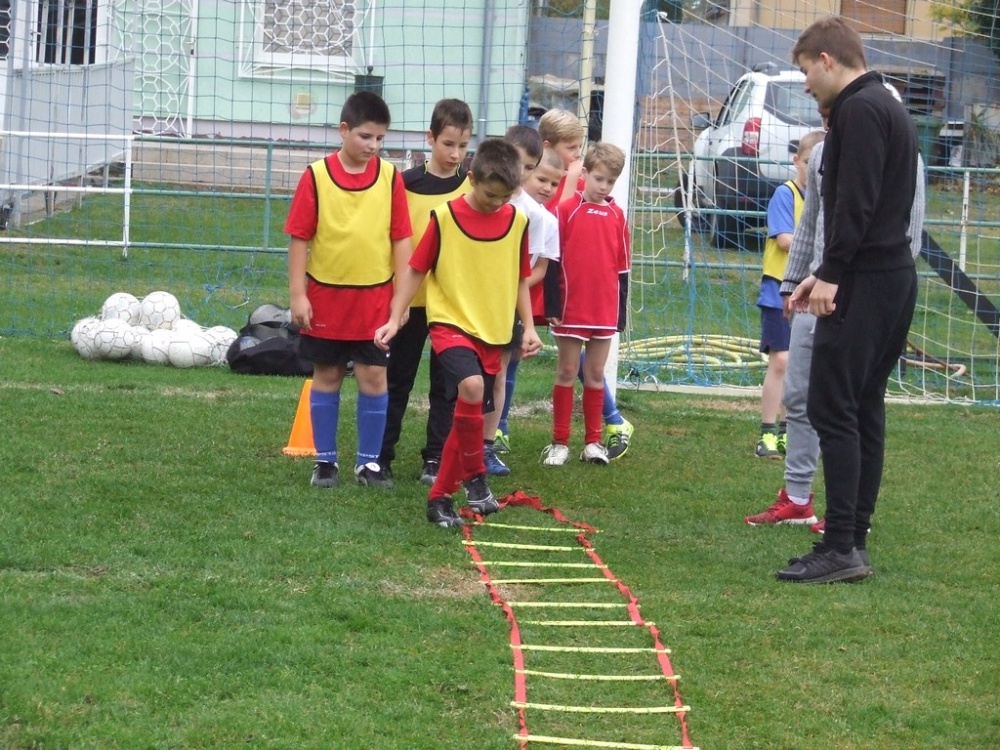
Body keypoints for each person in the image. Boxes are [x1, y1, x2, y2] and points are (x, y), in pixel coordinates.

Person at [778, 16, 919, 583]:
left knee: (832, 406)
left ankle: (839, 546)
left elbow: (856, 204)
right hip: (890, 276)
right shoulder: (887, 104)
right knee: (862, 406)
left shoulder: (859, 109)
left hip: (864, 280)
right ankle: (853, 538)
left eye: (806, 70)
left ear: (827, 60)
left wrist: (831, 275)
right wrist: (817, 274)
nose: (806, 84)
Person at [747, 98, 926, 534]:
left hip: (862, 294)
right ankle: (797, 498)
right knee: (801, 394)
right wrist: (794, 283)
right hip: (815, 288)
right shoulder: (825, 153)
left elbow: (909, 233)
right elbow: (811, 224)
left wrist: (862, 283)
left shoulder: (904, 156)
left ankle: (848, 519)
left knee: (851, 404)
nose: (829, 118)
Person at [375, 139, 543, 527]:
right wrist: (395, 317)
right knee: (471, 386)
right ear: (471, 179)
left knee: (468, 409)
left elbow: (520, 278)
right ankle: (476, 477)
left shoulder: (518, 222)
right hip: (450, 323)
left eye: (504, 197)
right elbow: (415, 270)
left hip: (493, 330)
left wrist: (529, 327)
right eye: (489, 195)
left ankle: (440, 498)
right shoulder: (445, 218)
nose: (496, 204)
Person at [285, 91, 412, 490]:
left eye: (380, 138)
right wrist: (298, 295)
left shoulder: (390, 177)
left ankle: (368, 463)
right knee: (327, 374)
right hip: (326, 298)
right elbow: (299, 238)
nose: (373, 146)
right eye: (365, 136)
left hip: (375, 300)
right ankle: (325, 461)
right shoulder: (316, 176)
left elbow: (402, 240)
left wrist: (401, 300)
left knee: (374, 376)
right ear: (344, 130)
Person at [378, 99, 473, 486]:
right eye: (448, 144)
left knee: (446, 386)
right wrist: (394, 298)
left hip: (451, 304)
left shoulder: (471, 188)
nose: (456, 154)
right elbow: (391, 240)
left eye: (463, 146)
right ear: (430, 138)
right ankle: (381, 455)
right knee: (397, 379)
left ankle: (435, 458)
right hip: (410, 302)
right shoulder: (404, 185)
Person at [538, 109, 635, 460]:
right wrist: (552, 305)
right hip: (571, 308)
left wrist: (619, 313)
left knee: (594, 374)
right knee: (567, 371)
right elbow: (552, 260)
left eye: (610, 181)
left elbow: (623, 269)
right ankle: (559, 442)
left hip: (603, 311)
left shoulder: (617, 216)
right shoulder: (566, 210)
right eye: (598, 178)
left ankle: (593, 442)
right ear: (585, 174)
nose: (603, 186)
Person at [481, 125, 560, 477]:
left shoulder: (535, 216)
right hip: (468, 301)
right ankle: (446, 445)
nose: (520, 172)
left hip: (507, 304)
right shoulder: (477, 197)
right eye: (517, 163)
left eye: (529, 167)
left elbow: (533, 270)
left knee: (498, 373)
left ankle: (487, 445)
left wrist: (511, 293)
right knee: (464, 375)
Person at [754, 130, 826, 460]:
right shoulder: (786, 194)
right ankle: (767, 432)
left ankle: (788, 431)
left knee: (801, 366)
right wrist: (822, 248)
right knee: (781, 361)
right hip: (778, 290)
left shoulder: (826, 201)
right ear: (797, 161)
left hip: (810, 293)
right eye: (809, 162)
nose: (814, 170)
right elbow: (784, 240)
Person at [495, 147, 564, 453]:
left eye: (554, 184)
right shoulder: (499, 204)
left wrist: (512, 288)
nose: (547, 188)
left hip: (513, 302)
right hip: (483, 299)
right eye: (542, 179)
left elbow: (540, 269)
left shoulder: (545, 220)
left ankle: (498, 428)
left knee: (508, 363)